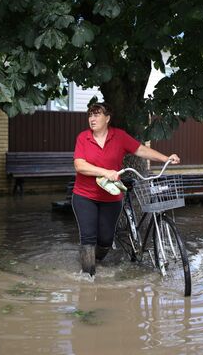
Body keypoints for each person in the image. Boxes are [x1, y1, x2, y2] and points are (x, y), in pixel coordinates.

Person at [72, 102, 180, 277]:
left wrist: (166, 158)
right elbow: (80, 165)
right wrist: (105, 172)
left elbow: (141, 150)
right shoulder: (83, 138)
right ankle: (88, 278)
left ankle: (94, 261)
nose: (92, 119)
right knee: (88, 237)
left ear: (107, 118)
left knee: (106, 239)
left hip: (111, 197)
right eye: (90, 115)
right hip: (85, 196)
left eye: (97, 115)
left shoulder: (119, 136)